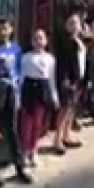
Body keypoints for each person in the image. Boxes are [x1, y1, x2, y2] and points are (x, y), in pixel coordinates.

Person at [0, 18, 32, 187]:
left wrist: (18, 89)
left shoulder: (16, 49)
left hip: (12, 91)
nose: (2, 32)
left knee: (12, 129)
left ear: (11, 30)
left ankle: (20, 166)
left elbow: (19, 70)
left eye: (5, 28)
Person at [18, 29, 59, 163]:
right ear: (31, 42)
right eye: (35, 38)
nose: (38, 41)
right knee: (27, 123)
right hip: (29, 88)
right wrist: (18, 97)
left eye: (41, 38)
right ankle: (24, 150)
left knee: (38, 122)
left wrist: (54, 96)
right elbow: (21, 78)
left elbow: (51, 78)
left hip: (43, 88)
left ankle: (33, 149)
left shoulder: (50, 59)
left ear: (46, 41)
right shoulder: (26, 57)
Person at [52, 14, 87, 151]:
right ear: (65, 26)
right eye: (70, 23)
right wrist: (65, 79)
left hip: (79, 78)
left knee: (72, 108)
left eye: (76, 23)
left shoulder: (79, 40)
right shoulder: (64, 42)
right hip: (68, 80)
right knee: (64, 108)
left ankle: (67, 135)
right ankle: (57, 139)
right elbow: (63, 63)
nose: (74, 26)